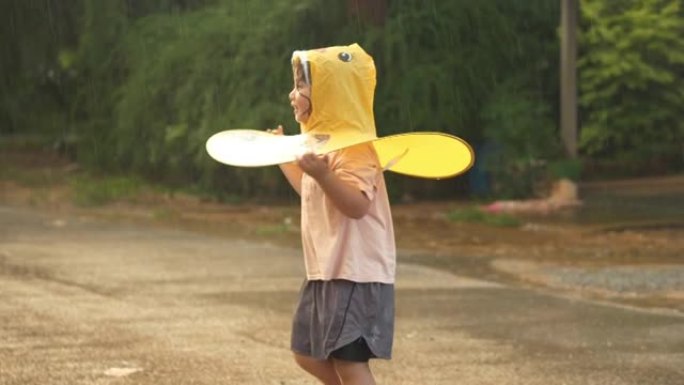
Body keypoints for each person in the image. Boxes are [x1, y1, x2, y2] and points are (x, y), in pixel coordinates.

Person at [269, 43, 396, 385]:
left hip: (356, 272)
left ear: (330, 94)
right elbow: (311, 193)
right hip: (325, 269)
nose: (292, 94)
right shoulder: (319, 147)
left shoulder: (356, 149)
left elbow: (356, 205)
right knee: (307, 353)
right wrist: (285, 157)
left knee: (350, 362)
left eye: (301, 86)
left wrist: (323, 174)